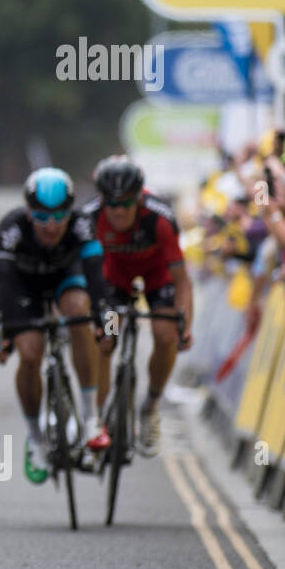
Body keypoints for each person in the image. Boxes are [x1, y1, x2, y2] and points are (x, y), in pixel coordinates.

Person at [0, 167, 103, 484]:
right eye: (40, 215)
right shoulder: (12, 228)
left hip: (67, 278)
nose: (51, 225)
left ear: (71, 210)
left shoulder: (82, 224)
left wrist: (105, 322)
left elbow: (97, 277)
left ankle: (91, 416)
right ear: (28, 210)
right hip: (25, 287)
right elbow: (5, 284)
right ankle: (35, 436)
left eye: (58, 215)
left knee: (80, 311)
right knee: (29, 353)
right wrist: (3, 335)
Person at [83, 156, 193, 457]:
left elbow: (182, 280)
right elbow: (81, 273)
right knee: (106, 341)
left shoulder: (160, 219)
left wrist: (185, 325)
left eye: (126, 203)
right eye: (112, 204)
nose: (119, 211)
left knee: (164, 333)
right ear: (102, 200)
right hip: (113, 280)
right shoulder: (89, 218)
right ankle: (102, 420)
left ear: (139, 198)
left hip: (159, 276)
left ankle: (151, 405)